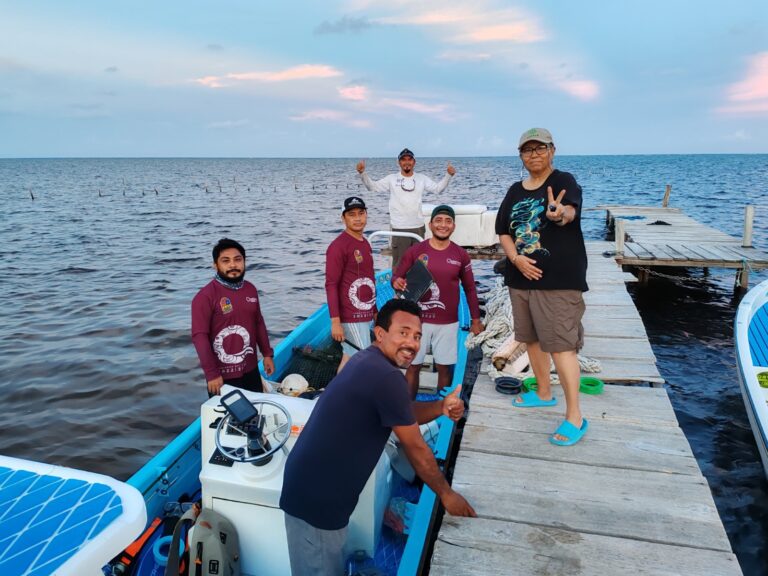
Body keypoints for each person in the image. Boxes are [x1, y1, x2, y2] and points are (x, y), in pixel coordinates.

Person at [280, 299, 476, 576]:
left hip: (319, 491)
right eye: (403, 332)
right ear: (379, 333)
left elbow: (404, 413)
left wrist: (441, 407)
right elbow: (416, 448)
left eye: (417, 336)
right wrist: (446, 495)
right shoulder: (386, 377)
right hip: (316, 502)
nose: (412, 342)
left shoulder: (366, 360)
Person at [495, 128, 589, 446]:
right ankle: (544, 392)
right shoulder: (513, 190)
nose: (533, 154)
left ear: (552, 150)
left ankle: (575, 415)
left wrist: (559, 213)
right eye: (527, 150)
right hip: (520, 277)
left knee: (561, 345)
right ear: (520, 156)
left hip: (559, 281)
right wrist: (515, 259)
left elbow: (569, 212)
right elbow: (503, 231)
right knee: (530, 338)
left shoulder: (563, 182)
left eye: (540, 148)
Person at [392, 205, 484, 397]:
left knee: (444, 368)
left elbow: (469, 288)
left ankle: (442, 407)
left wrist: (476, 320)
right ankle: (408, 408)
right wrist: (397, 282)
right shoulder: (416, 250)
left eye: (448, 221)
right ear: (430, 224)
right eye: (439, 221)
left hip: (448, 323)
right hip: (417, 322)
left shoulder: (460, 254)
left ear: (454, 226)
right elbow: (397, 277)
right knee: (413, 367)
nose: (443, 225)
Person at [191, 238, 275, 396]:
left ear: (244, 262)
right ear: (215, 265)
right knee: (228, 419)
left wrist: (267, 354)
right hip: (222, 376)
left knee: (257, 413)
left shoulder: (250, 289)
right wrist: (211, 374)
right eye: (225, 261)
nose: (233, 265)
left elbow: (258, 323)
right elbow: (199, 336)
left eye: (238, 259)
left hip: (251, 369)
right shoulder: (205, 296)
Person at [356, 148, 456, 270]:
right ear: (399, 162)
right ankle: (398, 289)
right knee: (399, 265)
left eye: (409, 159)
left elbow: (438, 189)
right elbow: (372, 187)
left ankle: (418, 288)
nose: (407, 162)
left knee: (419, 265)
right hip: (399, 228)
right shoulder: (391, 178)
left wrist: (448, 175)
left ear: (414, 162)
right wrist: (362, 174)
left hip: (418, 227)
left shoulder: (421, 178)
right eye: (403, 160)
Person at [325, 196, 377, 372]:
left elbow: (369, 278)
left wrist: (375, 310)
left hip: (366, 312)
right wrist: (335, 322)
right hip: (351, 315)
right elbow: (331, 284)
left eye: (361, 213)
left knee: (349, 357)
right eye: (352, 214)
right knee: (363, 360)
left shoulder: (365, 243)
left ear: (366, 215)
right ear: (343, 218)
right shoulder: (338, 246)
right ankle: (355, 397)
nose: (357, 218)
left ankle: (335, 394)